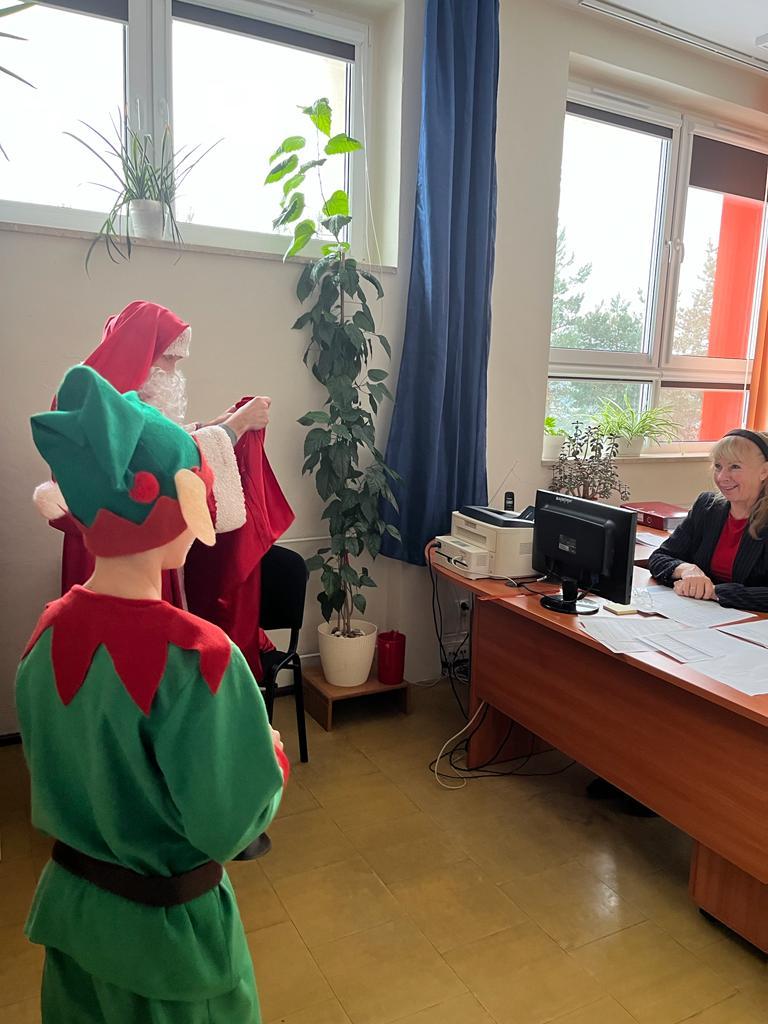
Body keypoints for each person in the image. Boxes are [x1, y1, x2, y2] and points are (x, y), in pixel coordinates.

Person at [18, 365, 289, 1023]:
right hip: (169, 951)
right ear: (170, 506)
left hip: (75, 926)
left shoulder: (45, 637)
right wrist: (269, 755)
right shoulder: (198, 659)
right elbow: (230, 821)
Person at [35, 300, 294, 678]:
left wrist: (212, 425)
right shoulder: (108, 401)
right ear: (140, 353)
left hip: (105, 549)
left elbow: (149, 449)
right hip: (126, 550)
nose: (175, 372)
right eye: (169, 359)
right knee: (137, 656)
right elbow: (155, 469)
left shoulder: (98, 393)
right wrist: (235, 427)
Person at [649, 428, 768, 612]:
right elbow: (659, 557)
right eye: (718, 466)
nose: (721, 477)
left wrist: (713, 592)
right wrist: (685, 569)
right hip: (700, 614)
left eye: (735, 467)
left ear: (764, 471)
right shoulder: (707, 507)